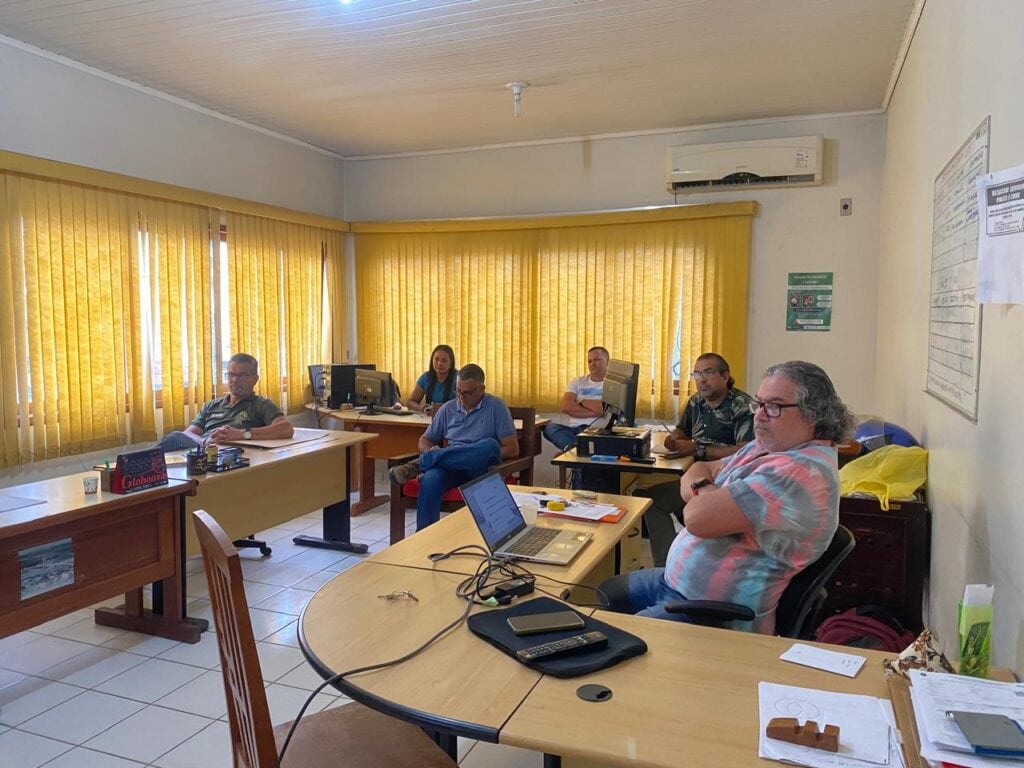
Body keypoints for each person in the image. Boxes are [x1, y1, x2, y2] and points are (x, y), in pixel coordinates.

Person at [602, 360, 855, 634]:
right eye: (758, 404)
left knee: (615, 639)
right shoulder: (769, 446)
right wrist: (705, 488)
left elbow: (697, 518)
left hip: (709, 612)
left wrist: (702, 494)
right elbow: (700, 469)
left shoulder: (799, 472)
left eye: (774, 407)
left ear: (814, 414)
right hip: (677, 584)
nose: (759, 416)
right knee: (606, 593)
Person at [636, 352, 754, 567]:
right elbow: (683, 429)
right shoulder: (695, 402)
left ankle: (670, 565)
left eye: (708, 373)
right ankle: (671, 564)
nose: (701, 379)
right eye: (697, 374)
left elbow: (745, 452)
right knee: (650, 499)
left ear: (725, 376)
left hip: (726, 484)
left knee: (656, 502)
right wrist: (675, 438)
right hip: (695, 478)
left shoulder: (743, 407)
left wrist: (698, 448)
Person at [389, 364, 518, 530]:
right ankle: (424, 540)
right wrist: (430, 450)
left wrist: (477, 454)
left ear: (482, 389)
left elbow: (512, 449)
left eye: (468, 393)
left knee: (490, 445)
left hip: (480, 467)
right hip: (450, 467)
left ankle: (419, 464)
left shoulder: (496, 407)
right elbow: (424, 439)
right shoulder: (448, 409)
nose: (461, 397)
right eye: (458, 391)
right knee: (430, 479)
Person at [156, 353, 294, 451]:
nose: (234, 380)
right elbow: (188, 434)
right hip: (202, 449)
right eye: (231, 375)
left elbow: (286, 429)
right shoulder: (212, 405)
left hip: (229, 453)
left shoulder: (261, 404)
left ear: (255, 379)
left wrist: (241, 434)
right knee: (174, 437)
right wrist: (205, 441)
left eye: (242, 375)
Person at [542, 346, 610, 451]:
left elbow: (605, 408)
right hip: (575, 430)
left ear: (607, 362)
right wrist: (597, 412)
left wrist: (581, 402)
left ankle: (574, 451)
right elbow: (566, 407)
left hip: (599, 432)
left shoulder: (613, 385)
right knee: (550, 428)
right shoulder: (578, 382)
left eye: (596, 359)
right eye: (589, 361)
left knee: (582, 457)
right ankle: (577, 449)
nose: (592, 363)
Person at [406, 344, 457, 413]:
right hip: (429, 419)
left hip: (452, 419)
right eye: (436, 359)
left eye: (444, 360)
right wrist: (421, 408)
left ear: (451, 363)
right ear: (432, 361)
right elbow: (410, 402)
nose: (439, 363)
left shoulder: (459, 379)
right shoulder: (426, 377)